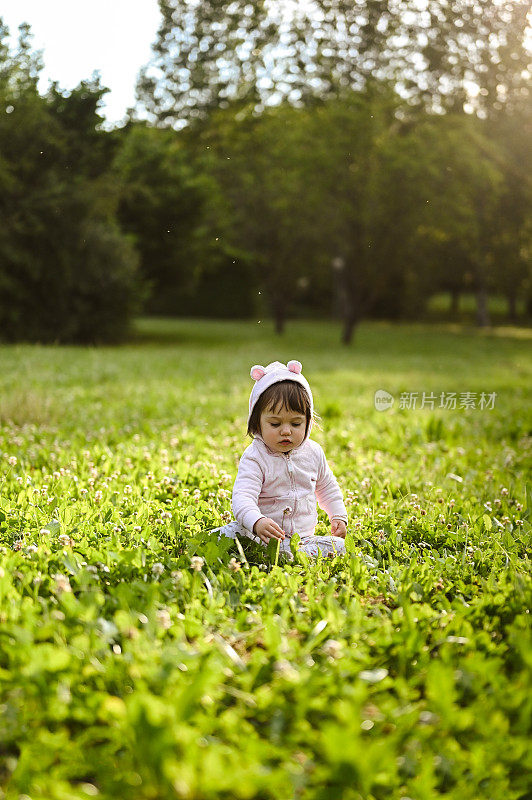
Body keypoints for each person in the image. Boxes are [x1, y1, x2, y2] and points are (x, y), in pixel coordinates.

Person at [211, 360, 348, 559]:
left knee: (339, 546)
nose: (286, 431)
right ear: (257, 423)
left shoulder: (313, 453)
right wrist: (257, 522)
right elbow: (242, 498)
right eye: (275, 424)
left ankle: (293, 553)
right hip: (258, 534)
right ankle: (270, 551)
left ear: (308, 421)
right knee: (227, 536)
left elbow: (327, 487)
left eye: (296, 423)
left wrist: (338, 516)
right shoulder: (255, 457)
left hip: (300, 538)